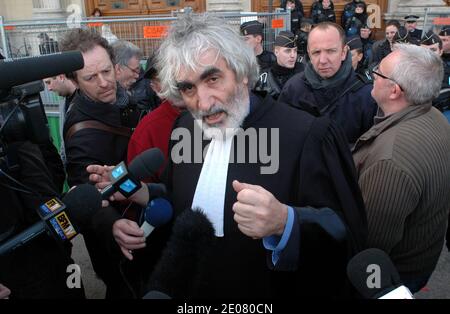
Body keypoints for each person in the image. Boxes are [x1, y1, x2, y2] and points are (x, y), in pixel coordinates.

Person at [88, 13, 367, 299]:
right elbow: (184, 199)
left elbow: (347, 234)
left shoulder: (309, 135)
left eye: (213, 78)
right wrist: (143, 192)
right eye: (188, 88)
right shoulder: (185, 127)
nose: (203, 102)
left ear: (242, 71)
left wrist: (286, 221)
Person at [352, 44, 450, 293]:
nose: (373, 74)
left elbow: (370, 244)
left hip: (394, 276)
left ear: (394, 90)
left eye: (379, 72)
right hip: (422, 258)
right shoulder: (434, 115)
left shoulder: (390, 162)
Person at [59, 28, 140, 298]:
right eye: (91, 77)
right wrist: (113, 226)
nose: (104, 82)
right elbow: (88, 190)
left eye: (107, 71)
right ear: (75, 81)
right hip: (115, 238)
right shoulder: (81, 130)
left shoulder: (122, 100)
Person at [0, 140, 84, 299]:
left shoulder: (20, 143)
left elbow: (54, 180)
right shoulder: (22, 147)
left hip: (52, 260)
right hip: (28, 274)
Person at [279, 22, 377, 145]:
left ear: (343, 52)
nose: (323, 60)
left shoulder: (367, 95)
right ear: (309, 54)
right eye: (316, 52)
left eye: (330, 51)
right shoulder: (293, 89)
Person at [254, 31, 304, 100]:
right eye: (288, 51)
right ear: (276, 52)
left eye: (295, 51)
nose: (293, 55)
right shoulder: (264, 79)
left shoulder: (305, 73)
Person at [43, 74, 77, 164]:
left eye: (48, 82)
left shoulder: (85, 100)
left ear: (61, 77)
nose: (49, 88)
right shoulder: (63, 101)